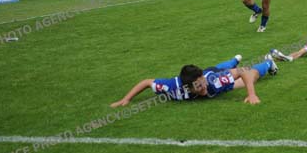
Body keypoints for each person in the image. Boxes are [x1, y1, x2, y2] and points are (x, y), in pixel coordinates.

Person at [110, 54, 278, 107]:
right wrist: (126, 99)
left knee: (250, 78)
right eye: (199, 87)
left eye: (202, 83)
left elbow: (244, 71)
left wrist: (251, 94)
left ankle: (268, 63)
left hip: (214, 74)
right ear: (187, 87)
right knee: (219, 69)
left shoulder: (212, 81)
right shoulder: (172, 88)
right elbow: (147, 82)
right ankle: (233, 59)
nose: (203, 87)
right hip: (212, 71)